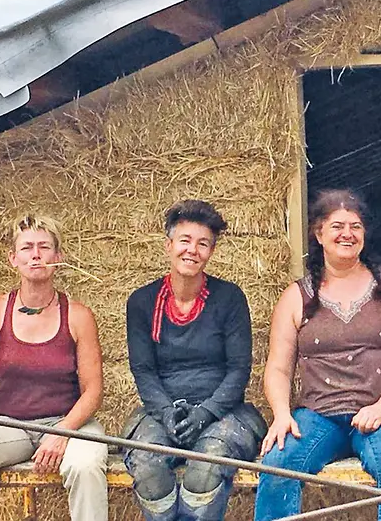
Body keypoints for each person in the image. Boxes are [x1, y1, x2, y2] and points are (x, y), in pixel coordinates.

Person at [254, 189, 381, 521]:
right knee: (277, 462)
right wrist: (281, 414)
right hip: (319, 414)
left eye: (356, 226)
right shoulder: (297, 296)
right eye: (337, 226)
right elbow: (278, 367)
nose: (347, 234)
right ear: (319, 234)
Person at [0, 214, 107, 521]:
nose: (35, 254)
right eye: (26, 248)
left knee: (86, 464)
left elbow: (93, 391)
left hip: (69, 423)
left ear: (58, 257)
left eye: (44, 246)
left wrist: (64, 431)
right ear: (13, 258)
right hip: (10, 425)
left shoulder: (78, 316)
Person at [123, 199, 267, 521]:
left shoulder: (229, 298)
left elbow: (239, 369)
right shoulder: (141, 302)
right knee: (149, 465)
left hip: (222, 411)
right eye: (185, 241)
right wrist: (165, 412)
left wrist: (205, 414)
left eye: (203, 244)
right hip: (161, 411)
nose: (192, 250)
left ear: (211, 252)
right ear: (169, 245)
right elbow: (143, 370)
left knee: (207, 464)